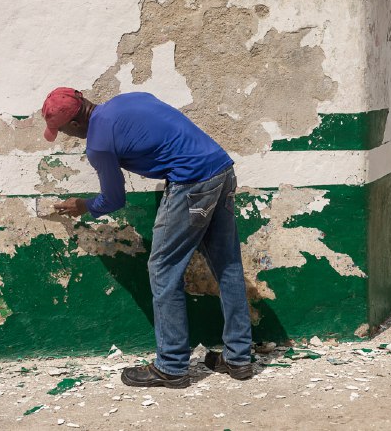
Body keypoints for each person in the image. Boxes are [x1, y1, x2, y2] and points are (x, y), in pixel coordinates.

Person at [41, 87, 253, 388]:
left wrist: (84, 206)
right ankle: (239, 358)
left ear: (75, 124)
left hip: (191, 182)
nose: (66, 136)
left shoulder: (98, 144)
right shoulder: (129, 99)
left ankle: (171, 366)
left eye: (63, 130)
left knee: (163, 270)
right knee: (227, 265)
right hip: (221, 168)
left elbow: (114, 199)